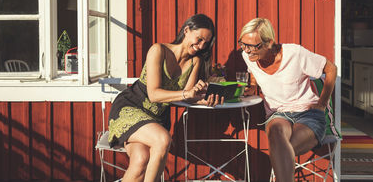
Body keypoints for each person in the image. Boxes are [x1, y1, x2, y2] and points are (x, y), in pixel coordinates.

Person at [108, 14, 223, 182]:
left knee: (140, 160)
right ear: (186, 30)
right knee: (162, 140)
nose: (200, 46)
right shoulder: (158, 50)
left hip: (155, 118)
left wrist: (203, 100)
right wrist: (187, 93)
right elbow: (154, 94)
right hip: (131, 108)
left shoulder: (195, 62)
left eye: (205, 43)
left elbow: (187, 96)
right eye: (198, 39)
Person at [238, 18, 337, 182]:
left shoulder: (295, 53)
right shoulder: (248, 56)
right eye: (243, 44)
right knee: (277, 134)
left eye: (253, 46)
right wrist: (254, 86)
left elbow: (331, 69)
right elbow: (253, 71)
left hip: (308, 114)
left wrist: (322, 104)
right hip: (277, 114)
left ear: (269, 43)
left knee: (282, 149)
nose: (247, 51)